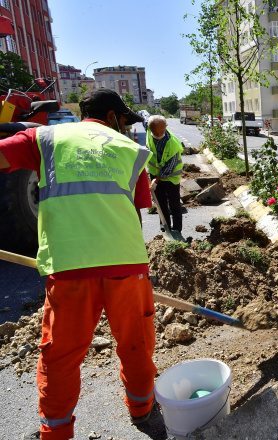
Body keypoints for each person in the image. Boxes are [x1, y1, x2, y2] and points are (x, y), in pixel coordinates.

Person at [0, 89, 158, 439]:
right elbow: (137, 209)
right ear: (113, 116)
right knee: (136, 343)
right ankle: (143, 408)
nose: (125, 128)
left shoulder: (44, 139)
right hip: (127, 265)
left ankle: (55, 432)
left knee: (61, 356)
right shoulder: (131, 151)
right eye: (124, 121)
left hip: (70, 267)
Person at [146, 115, 184, 234]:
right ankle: (165, 226)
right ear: (150, 129)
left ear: (166, 127)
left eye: (161, 130)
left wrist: (156, 180)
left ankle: (177, 229)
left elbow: (170, 166)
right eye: (155, 131)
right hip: (155, 174)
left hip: (171, 177)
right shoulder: (149, 134)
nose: (158, 134)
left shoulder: (172, 143)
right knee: (160, 203)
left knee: (174, 203)